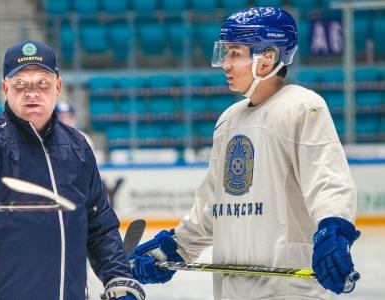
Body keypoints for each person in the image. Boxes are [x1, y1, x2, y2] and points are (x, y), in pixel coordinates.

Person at [130, 7, 360, 300]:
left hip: (289, 292)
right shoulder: (228, 120)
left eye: (235, 54)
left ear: (267, 58)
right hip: (231, 290)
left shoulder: (303, 106)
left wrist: (334, 231)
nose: (224, 63)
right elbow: (213, 205)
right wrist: (171, 248)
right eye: (224, 53)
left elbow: (328, 181)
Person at [0, 40, 145, 300]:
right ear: (5, 88)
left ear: (58, 87)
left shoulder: (78, 146)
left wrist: (119, 278)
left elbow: (99, 225)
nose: (32, 92)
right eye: (21, 84)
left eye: (43, 83)